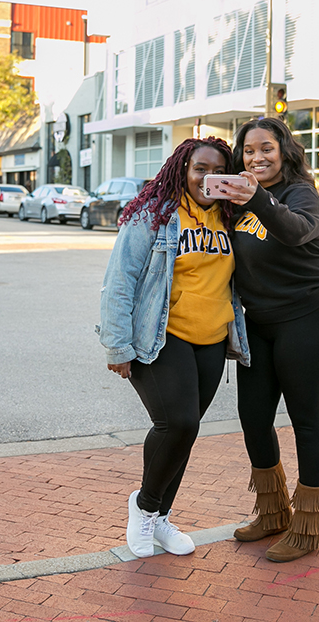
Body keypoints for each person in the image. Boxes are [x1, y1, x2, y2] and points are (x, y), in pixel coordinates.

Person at [98, 137, 251, 558]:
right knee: (178, 424)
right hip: (162, 337)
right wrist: (118, 346)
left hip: (213, 341)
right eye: (199, 168)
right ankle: (144, 507)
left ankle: (160, 517)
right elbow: (121, 279)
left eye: (216, 171)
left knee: (185, 433)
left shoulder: (232, 216)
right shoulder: (157, 213)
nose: (206, 178)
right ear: (182, 168)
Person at [211, 116, 319, 563]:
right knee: (252, 417)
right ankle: (272, 512)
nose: (257, 157)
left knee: (306, 421)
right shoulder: (237, 201)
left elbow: (295, 230)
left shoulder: (299, 193)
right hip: (259, 323)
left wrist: (259, 198)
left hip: (308, 318)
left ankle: (307, 527)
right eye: (248, 151)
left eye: (266, 148)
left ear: (283, 151)